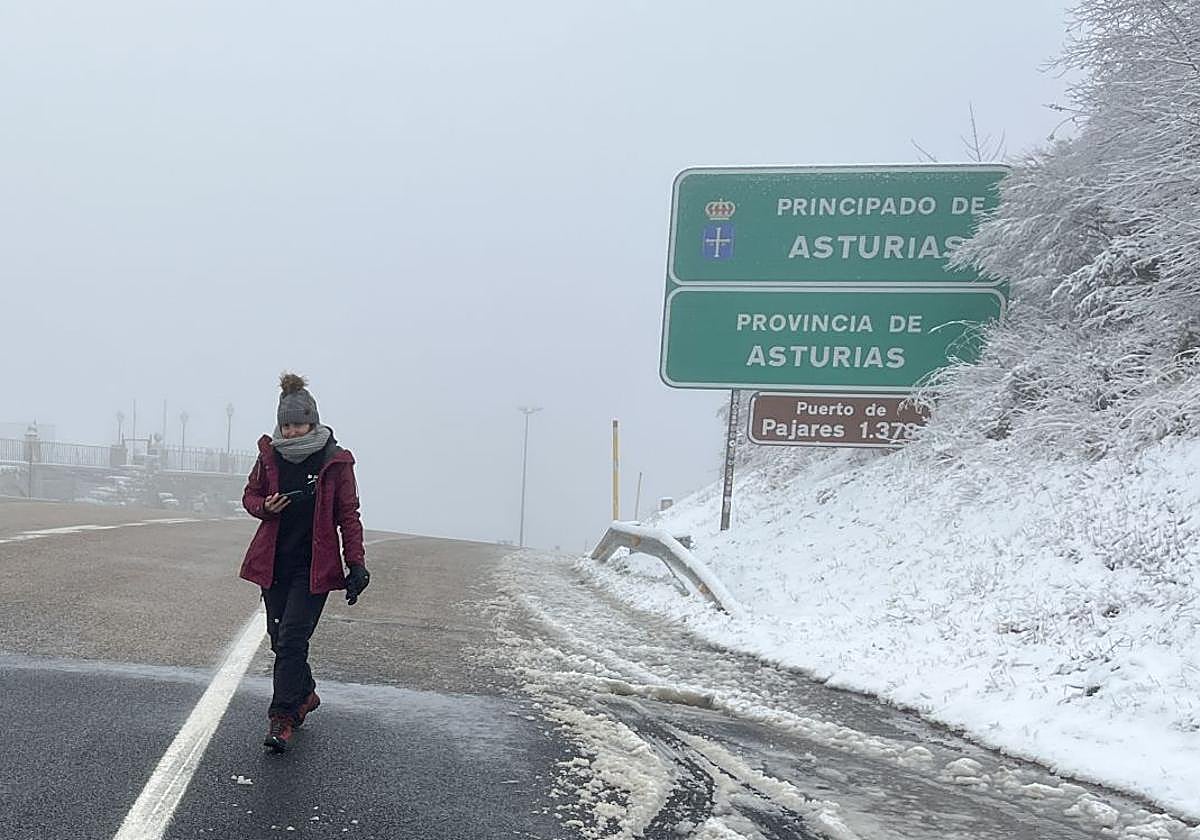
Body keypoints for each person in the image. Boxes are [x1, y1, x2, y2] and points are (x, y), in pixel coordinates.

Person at [239, 372, 370, 752]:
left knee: (294, 638)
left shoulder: (335, 461)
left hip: (314, 568)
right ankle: (306, 693)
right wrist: (265, 507)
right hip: (274, 564)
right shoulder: (269, 457)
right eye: (287, 425)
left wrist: (356, 564)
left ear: (312, 421)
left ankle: (281, 718)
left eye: (298, 424)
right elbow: (249, 496)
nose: (292, 432)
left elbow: (349, 515)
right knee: (280, 640)